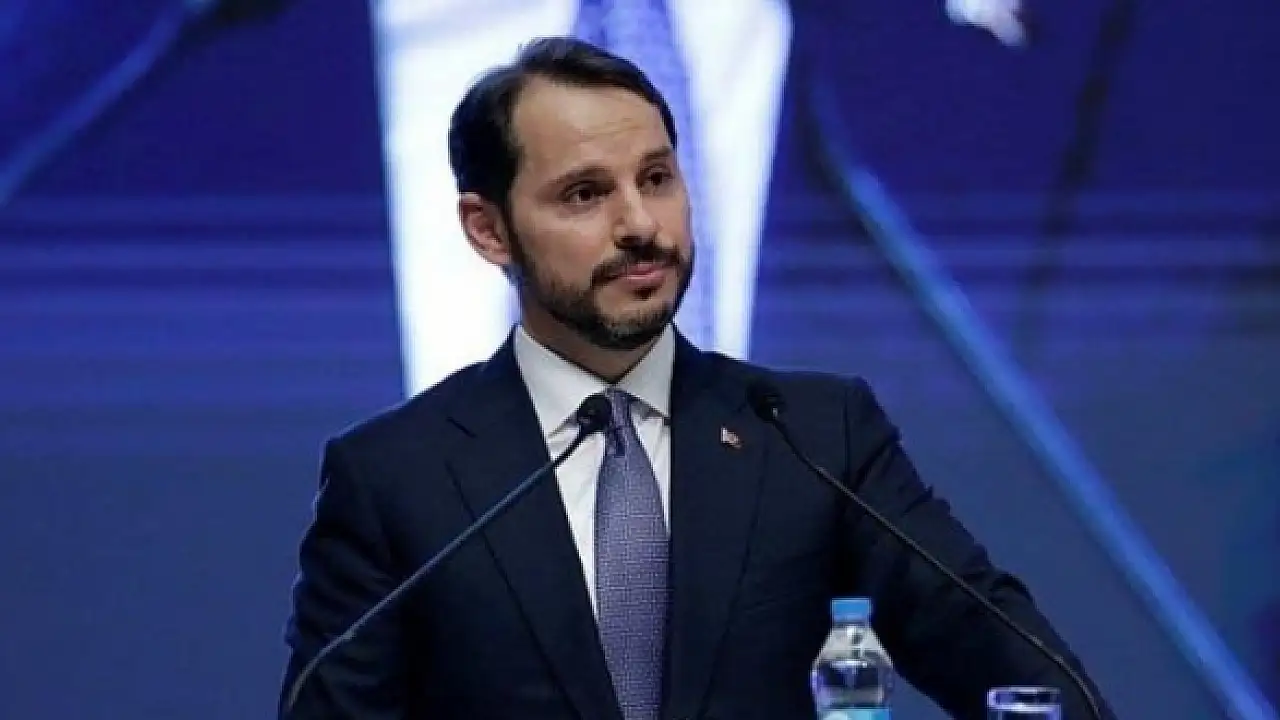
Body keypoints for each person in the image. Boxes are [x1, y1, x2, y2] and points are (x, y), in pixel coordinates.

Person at [279, 37, 1116, 719]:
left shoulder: (815, 436)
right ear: (488, 230)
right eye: (584, 195)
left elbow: (1026, 677)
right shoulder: (395, 478)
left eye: (657, 179)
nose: (641, 224)